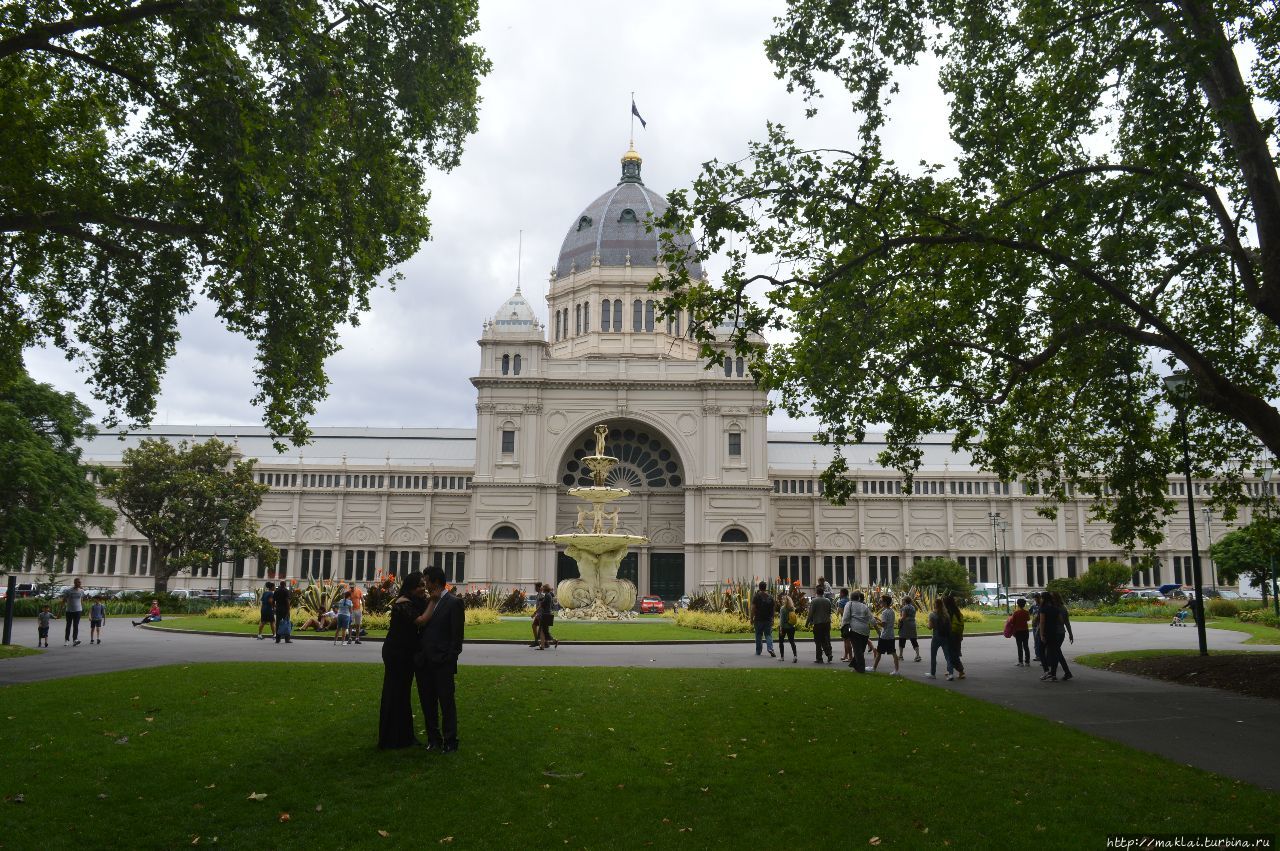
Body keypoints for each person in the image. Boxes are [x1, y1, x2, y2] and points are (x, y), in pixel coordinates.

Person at [415, 565, 464, 753]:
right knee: (428, 704)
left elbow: (457, 637)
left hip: (442, 663)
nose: (425, 585)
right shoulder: (428, 602)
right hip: (424, 662)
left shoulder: (454, 603)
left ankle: (450, 741)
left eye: (426, 581)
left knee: (446, 704)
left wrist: (449, 659)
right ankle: (433, 739)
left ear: (435, 582)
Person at [378, 572, 427, 749]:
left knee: (401, 694)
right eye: (420, 585)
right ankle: (395, 738)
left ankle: (401, 736)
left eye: (424, 584)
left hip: (404, 652)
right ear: (411, 587)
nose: (423, 588)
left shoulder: (412, 601)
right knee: (396, 693)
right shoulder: (403, 603)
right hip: (397, 653)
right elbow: (420, 621)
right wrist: (435, 602)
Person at [1045, 592, 1074, 681]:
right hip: (1060, 633)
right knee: (1057, 653)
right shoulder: (1063, 608)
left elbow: (1064, 622)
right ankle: (1063, 672)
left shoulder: (1056, 608)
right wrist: (1070, 634)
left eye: (1052, 598)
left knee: (1055, 654)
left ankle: (1054, 674)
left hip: (1056, 633)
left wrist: (1070, 634)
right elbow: (1067, 623)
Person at [841, 591, 871, 672]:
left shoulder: (849, 604)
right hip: (865, 630)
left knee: (858, 651)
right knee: (861, 650)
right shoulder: (864, 606)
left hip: (855, 630)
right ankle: (855, 665)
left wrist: (843, 626)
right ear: (858, 598)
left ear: (851, 597)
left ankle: (861, 668)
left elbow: (845, 617)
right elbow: (871, 618)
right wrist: (878, 630)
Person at [871, 594, 901, 675]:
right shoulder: (891, 611)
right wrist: (878, 619)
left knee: (879, 653)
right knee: (893, 653)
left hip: (884, 636)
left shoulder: (884, 612)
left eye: (881, 601)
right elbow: (887, 622)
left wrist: (875, 622)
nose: (880, 602)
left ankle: (874, 668)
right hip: (891, 635)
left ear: (885, 602)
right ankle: (896, 670)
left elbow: (883, 624)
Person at [925, 597, 953, 680]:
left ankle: (933, 674)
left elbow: (930, 627)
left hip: (936, 636)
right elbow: (950, 627)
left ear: (934, 604)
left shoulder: (932, 614)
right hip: (945, 636)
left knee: (933, 656)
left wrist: (927, 624)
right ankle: (950, 674)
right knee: (948, 656)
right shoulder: (946, 614)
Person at [805, 587, 834, 663]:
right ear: (823, 593)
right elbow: (829, 611)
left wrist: (807, 623)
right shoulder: (827, 601)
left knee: (818, 641)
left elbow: (810, 613)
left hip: (818, 623)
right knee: (825, 640)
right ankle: (828, 654)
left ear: (817, 593)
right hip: (827, 623)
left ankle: (819, 658)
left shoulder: (814, 601)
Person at [943, 595, 966, 680]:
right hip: (958, 634)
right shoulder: (958, 611)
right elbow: (962, 624)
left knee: (951, 654)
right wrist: (961, 635)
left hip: (951, 635)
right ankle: (950, 670)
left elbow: (946, 624)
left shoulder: (948, 612)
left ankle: (961, 671)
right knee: (954, 652)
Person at [750, 581, 776, 657]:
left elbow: (753, 608)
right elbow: (773, 609)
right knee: (768, 635)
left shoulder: (756, 596)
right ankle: (770, 648)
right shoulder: (770, 597)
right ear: (765, 587)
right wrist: (773, 618)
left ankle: (758, 651)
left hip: (758, 619)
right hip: (768, 619)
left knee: (758, 635)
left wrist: (751, 618)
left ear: (759, 587)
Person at [63, 577, 86, 646]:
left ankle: (75, 640)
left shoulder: (81, 591)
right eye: (78, 582)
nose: (80, 583)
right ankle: (66, 640)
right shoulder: (69, 591)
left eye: (80, 582)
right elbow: (64, 600)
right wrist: (59, 611)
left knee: (76, 625)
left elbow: (81, 599)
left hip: (78, 610)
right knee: (68, 625)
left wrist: (82, 607)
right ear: (75, 583)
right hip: (69, 611)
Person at [1009, 598, 1032, 666]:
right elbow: (1028, 619)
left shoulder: (1016, 613)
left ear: (1018, 604)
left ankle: (1021, 662)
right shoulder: (1026, 612)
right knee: (1026, 646)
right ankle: (1027, 662)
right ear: (1024, 604)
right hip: (1025, 630)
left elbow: (1012, 621)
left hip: (1018, 631)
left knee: (1019, 647)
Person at [897, 595, 920, 662]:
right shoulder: (913, 607)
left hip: (905, 625)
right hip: (912, 624)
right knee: (913, 640)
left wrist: (899, 619)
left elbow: (903, 617)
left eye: (903, 600)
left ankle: (901, 655)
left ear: (905, 601)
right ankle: (918, 655)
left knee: (902, 639)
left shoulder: (905, 608)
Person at [777, 592, 798, 663]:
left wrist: (780, 628)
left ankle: (782, 657)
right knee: (792, 642)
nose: (782, 600)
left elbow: (782, 620)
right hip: (791, 627)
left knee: (781, 642)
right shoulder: (792, 608)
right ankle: (795, 656)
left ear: (785, 601)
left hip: (784, 627)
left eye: (783, 599)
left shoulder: (782, 609)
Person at [537, 583, 558, 650]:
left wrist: (541, 602)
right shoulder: (548, 595)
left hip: (545, 615)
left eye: (543, 588)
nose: (542, 589)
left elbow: (543, 604)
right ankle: (542, 646)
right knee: (544, 631)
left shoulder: (547, 595)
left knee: (544, 631)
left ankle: (554, 640)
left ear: (545, 589)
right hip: (546, 614)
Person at [836, 588, 852, 661]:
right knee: (848, 640)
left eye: (840, 592)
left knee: (846, 640)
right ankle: (846, 655)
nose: (839, 594)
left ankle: (849, 656)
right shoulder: (850, 601)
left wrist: (838, 610)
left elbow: (841, 613)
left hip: (845, 623)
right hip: (851, 622)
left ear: (842, 593)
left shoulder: (841, 602)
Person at [1030, 593, 1045, 665]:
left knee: (1041, 641)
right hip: (1035, 625)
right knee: (1036, 640)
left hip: (1041, 625)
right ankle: (1037, 656)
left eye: (1037, 598)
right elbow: (1029, 613)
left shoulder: (1042, 606)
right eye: (1035, 598)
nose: (1036, 599)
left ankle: (1043, 656)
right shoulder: (1033, 606)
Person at [529, 582, 544, 648]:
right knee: (534, 626)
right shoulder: (538, 595)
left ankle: (539, 642)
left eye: (536, 587)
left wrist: (535, 613)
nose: (535, 588)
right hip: (539, 614)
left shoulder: (541, 595)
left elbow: (540, 606)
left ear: (539, 587)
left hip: (540, 614)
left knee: (541, 629)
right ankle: (537, 641)